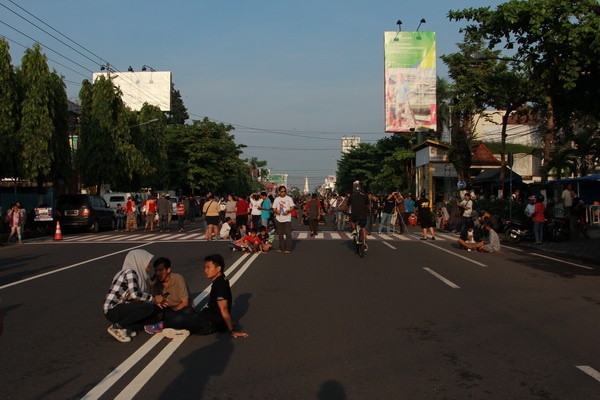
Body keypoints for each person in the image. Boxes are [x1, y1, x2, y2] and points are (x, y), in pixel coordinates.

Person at [103, 249, 165, 342]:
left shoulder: (136, 274)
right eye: (148, 262)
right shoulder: (130, 272)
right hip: (113, 310)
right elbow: (135, 294)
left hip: (120, 308)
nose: (150, 265)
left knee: (152, 310)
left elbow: (133, 298)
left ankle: (126, 326)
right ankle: (117, 327)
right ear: (140, 261)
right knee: (148, 308)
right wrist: (154, 299)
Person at [144, 257, 193, 337]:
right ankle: (172, 325)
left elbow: (185, 303)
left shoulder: (178, 279)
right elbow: (153, 301)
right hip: (167, 310)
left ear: (168, 270)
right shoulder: (155, 282)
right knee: (150, 311)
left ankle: (167, 325)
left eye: (160, 270)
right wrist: (152, 286)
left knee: (188, 311)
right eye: (156, 270)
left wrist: (173, 312)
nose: (157, 273)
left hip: (181, 309)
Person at [272, 185, 295, 253]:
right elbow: (274, 208)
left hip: (287, 218)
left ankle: (288, 248)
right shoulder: (277, 199)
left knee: (288, 233)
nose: (283, 193)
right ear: (279, 192)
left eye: (284, 191)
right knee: (280, 234)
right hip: (279, 218)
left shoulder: (289, 198)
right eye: (282, 191)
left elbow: (292, 207)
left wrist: (288, 211)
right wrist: (276, 211)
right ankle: (281, 247)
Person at [347, 181, 369, 249]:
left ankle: (354, 229)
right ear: (360, 190)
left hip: (355, 215)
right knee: (363, 227)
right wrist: (369, 210)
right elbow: (367, 205)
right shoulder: (364, 196)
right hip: (363, 215)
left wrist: (347, 212)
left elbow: (348, 205)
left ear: (353, 190)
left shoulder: (351, 197)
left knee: (351, 220)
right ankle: (364, 242)